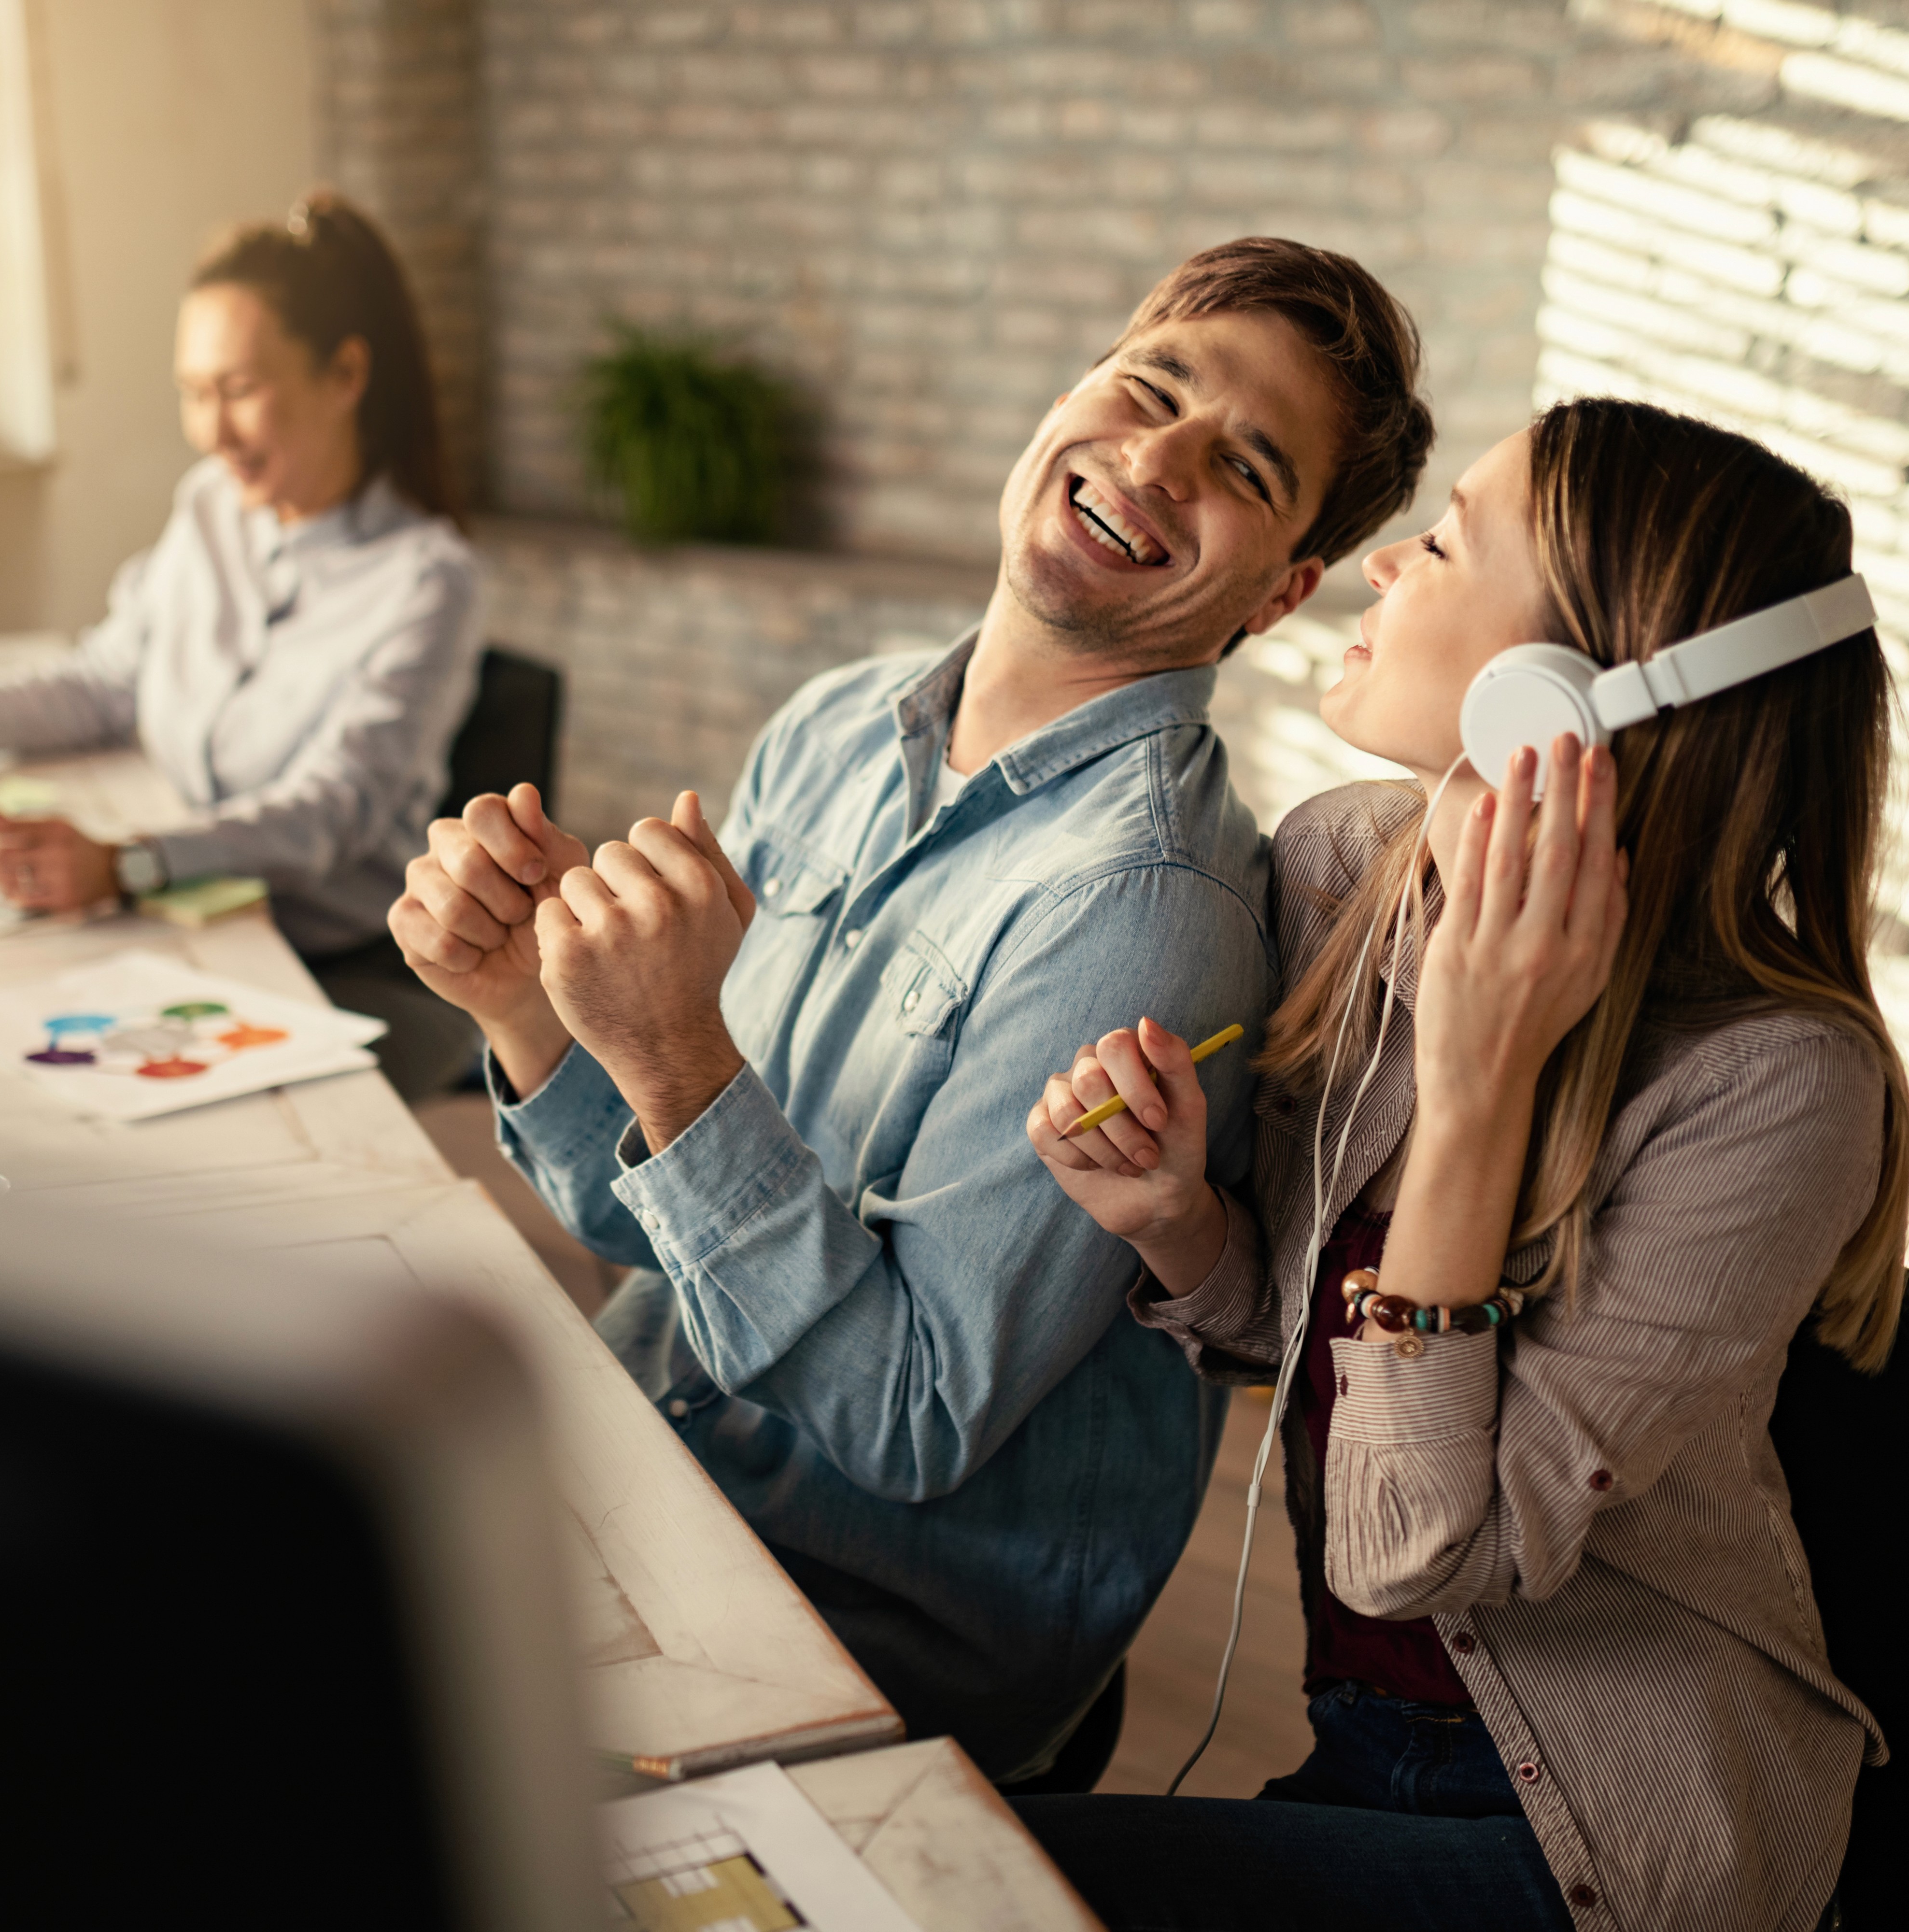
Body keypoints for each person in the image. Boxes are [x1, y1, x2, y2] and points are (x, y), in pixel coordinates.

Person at [388, 239, 1437, 1783]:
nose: (1153, 458)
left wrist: (678, 1057)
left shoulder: (1141, 909)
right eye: (1149, 388)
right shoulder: (836, 727)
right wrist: (530, 1014)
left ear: (1282, 594)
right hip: (644, 1475)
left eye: (1243, 466)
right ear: (1073, 391)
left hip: (852, 1635)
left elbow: (907, 1419)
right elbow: (663, 1234)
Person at [1012, 397, 1909, 1930]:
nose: (1372, 566)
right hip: (1365, 1754)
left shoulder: (1777, 1087)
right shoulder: (1345, 875)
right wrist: (1182, 1226)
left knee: (963, 1877)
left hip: (1619, 1848)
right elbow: (1303, 1340)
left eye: (1439, 544)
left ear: (1557, 699)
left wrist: (1480, 1083)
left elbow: (1405, 1549)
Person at [0, 192, 485, 1097]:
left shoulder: (429, 580)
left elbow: (330, 811)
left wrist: (125, 862)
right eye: (193, 394)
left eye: (239, 391)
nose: (211, 431)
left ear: (346, 375)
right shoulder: (209, 507)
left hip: (329, 964)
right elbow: (107, 681)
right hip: (177, 920)